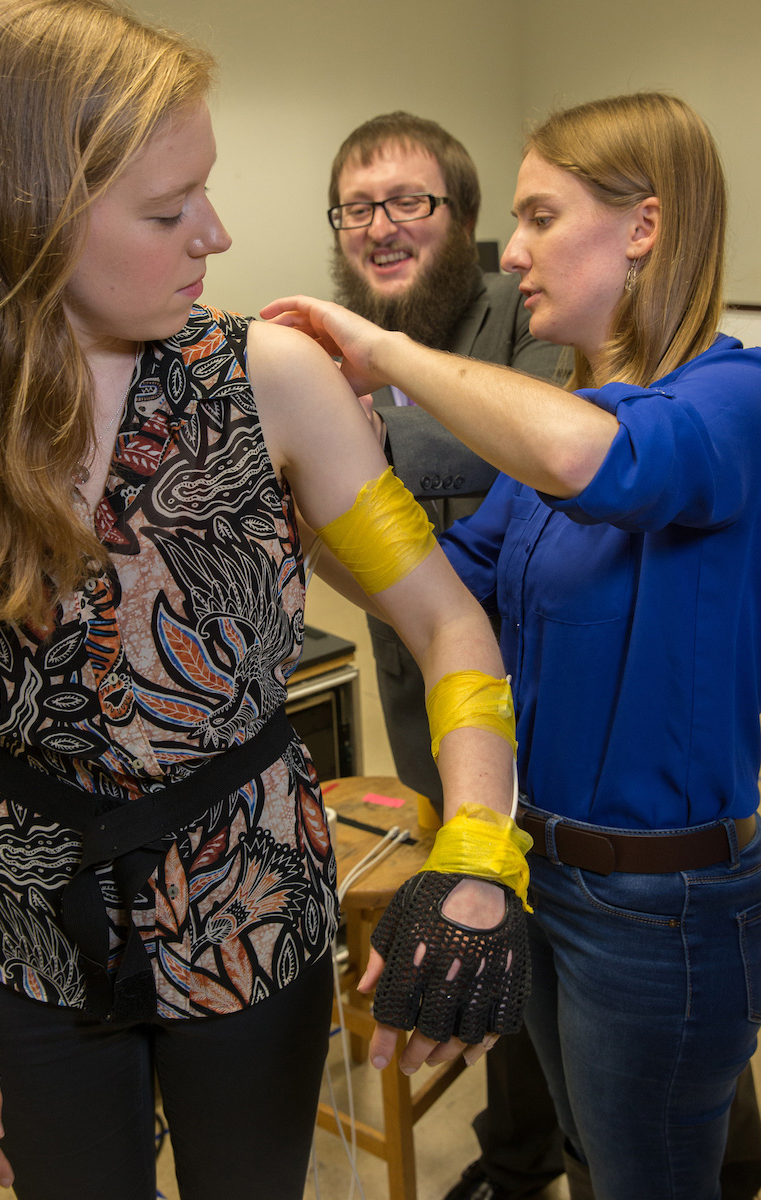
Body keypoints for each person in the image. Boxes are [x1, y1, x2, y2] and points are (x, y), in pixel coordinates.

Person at [0, 2, 532, 1197]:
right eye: (168, 212)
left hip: (248, 902)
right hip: (13, 913)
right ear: (24, 219)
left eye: (203, 194)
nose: (213, 234)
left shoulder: (270, 379)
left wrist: (477, 854)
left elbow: (445, 623)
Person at [263, 90, 761, 1200]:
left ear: (643, 226)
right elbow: (448, 599)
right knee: (594, 1158)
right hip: (538, 874)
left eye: (539, 217)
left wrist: (379, 351)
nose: (514, 251)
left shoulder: (731, 397)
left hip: (659, 910)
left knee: (649, 1175)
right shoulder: (558, 441)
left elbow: (609, 466)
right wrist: (312, 509)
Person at [328, 112, 565, 1200]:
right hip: (425, 709)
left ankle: (716, 1161)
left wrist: (361, 427)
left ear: (460, 221)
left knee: (593, 963)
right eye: (356, 206)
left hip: (553, 710)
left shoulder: (524, 314)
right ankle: (516, 1156)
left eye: (408, 202)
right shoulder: (332, 344)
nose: (380, 225)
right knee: (481, 930)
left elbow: (542, 441)